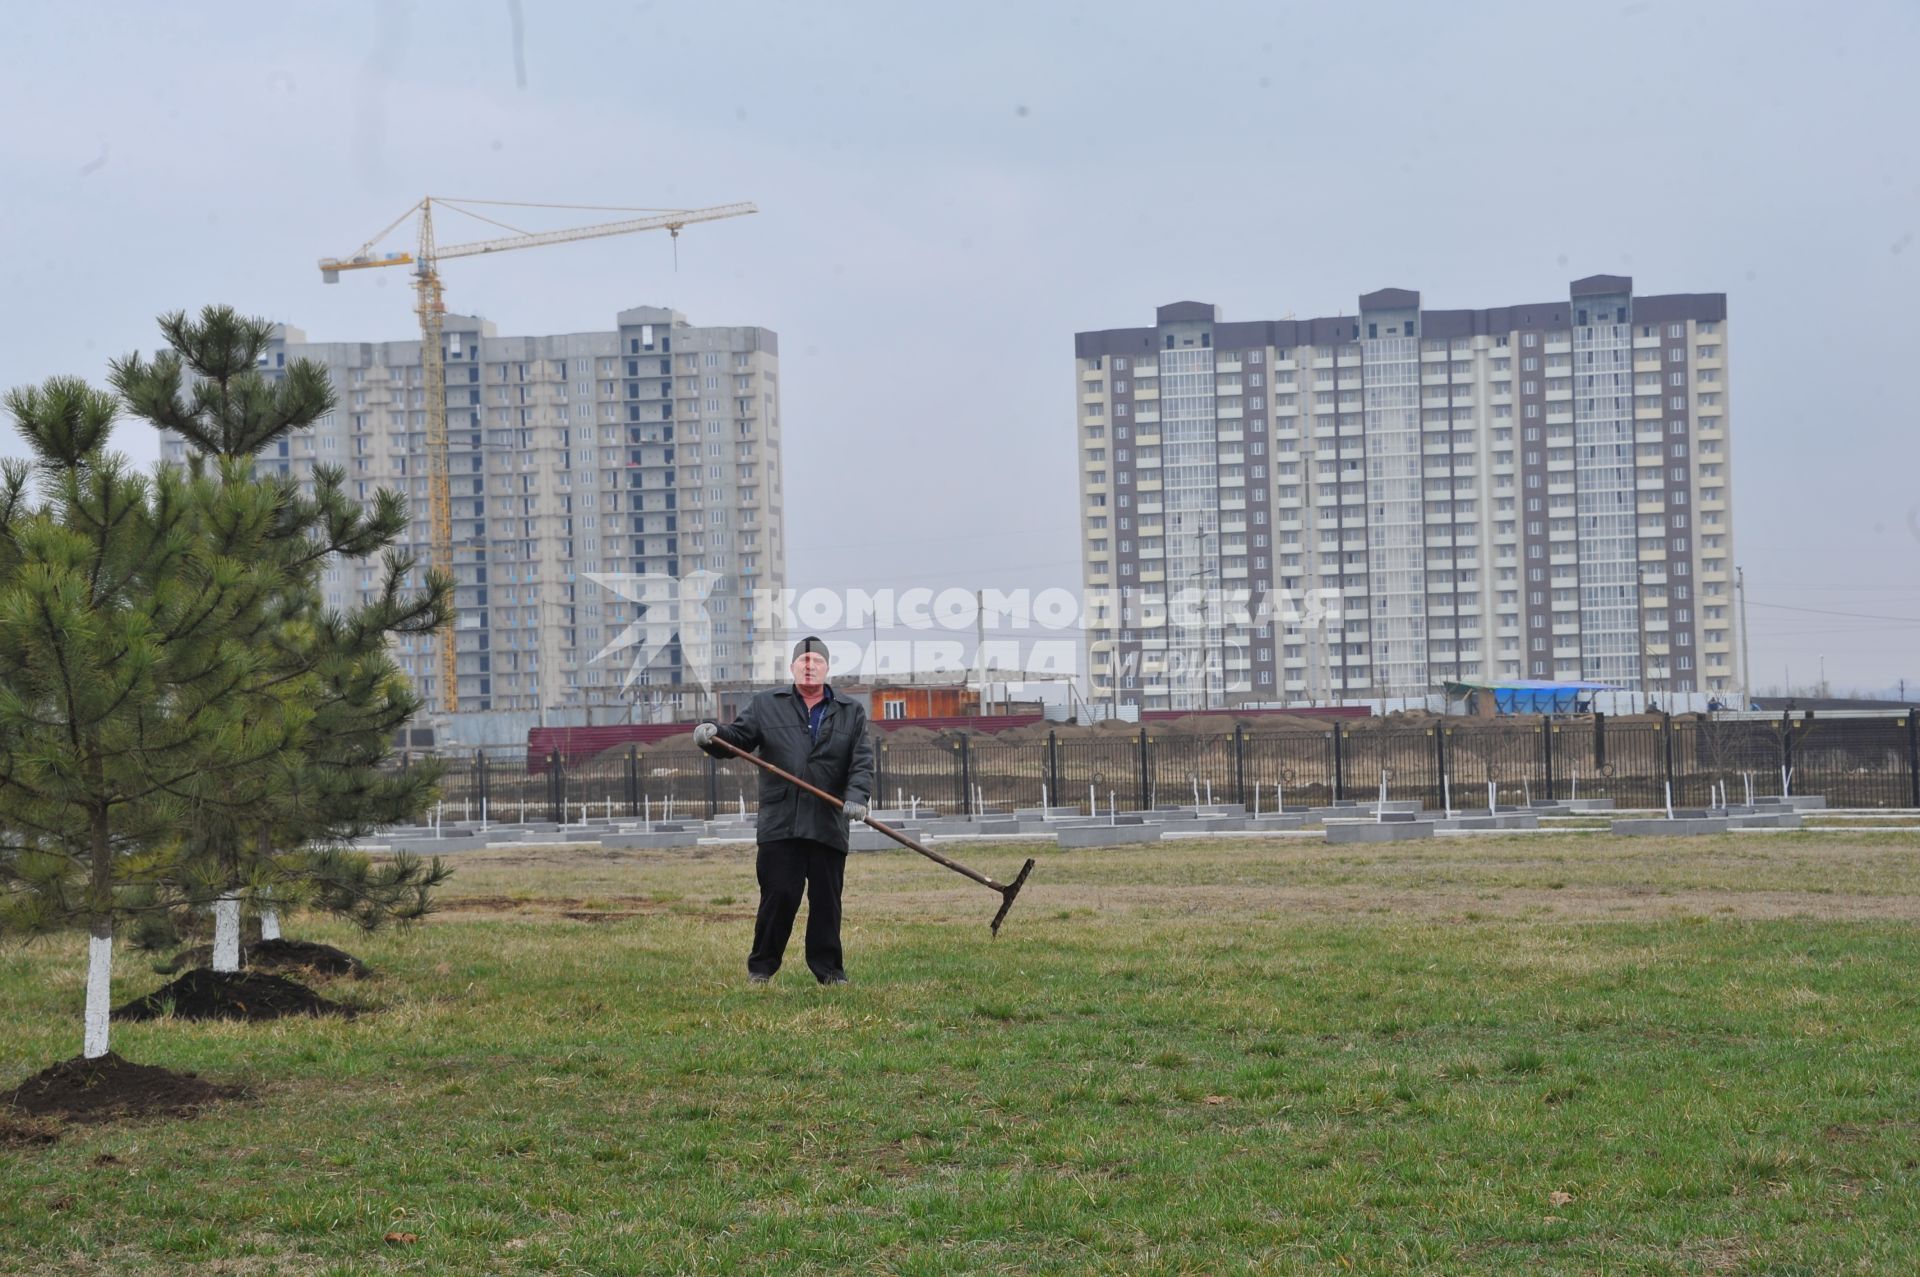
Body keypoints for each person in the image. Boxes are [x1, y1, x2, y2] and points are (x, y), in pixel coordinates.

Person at [695, 637, 874, 986]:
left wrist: (857, 795)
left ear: (826, 668)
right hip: (781, 822)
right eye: (803, 660)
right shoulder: (766, 705)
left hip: (827, 821)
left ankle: (830, 972)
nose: (809, 666)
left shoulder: (850, 711)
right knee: (779, 895)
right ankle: (761, 969)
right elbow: (738, 739)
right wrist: (713, 735)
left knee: (826, 901)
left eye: (816, 661)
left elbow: (862, 761)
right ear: (792, 668)